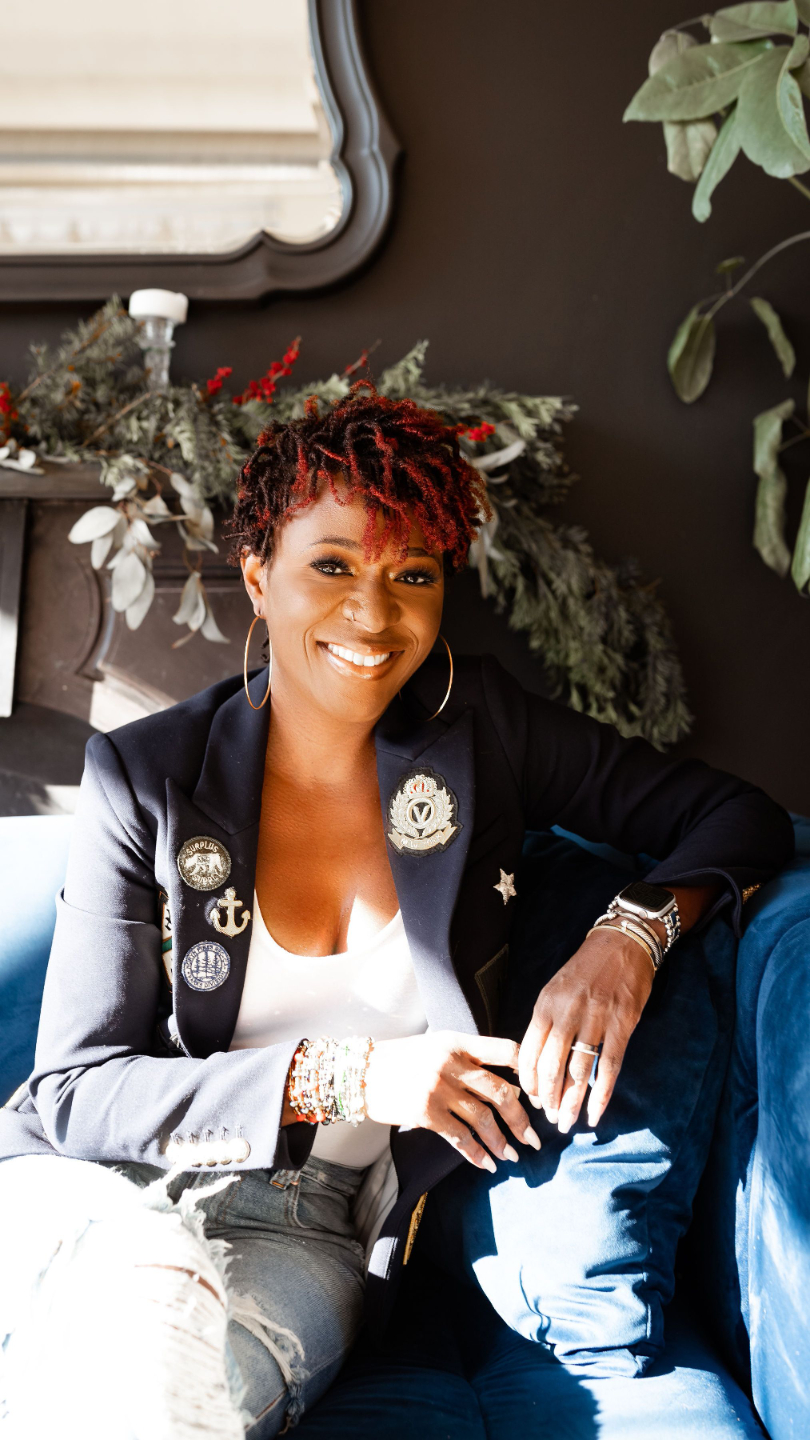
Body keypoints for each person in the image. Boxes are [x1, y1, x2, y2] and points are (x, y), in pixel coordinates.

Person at [0, 386, 793, 1438]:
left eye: (411, 575)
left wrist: (629, 937)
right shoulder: (144, 776)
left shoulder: (485, 733)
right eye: (331, 566)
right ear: (258, 575)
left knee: (166, 1403)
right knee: (128, 1310)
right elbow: (75, 1091)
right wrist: (361, 1076)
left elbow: (737, 816)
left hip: (301, 1228)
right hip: (91, 1190)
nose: (373, 617)